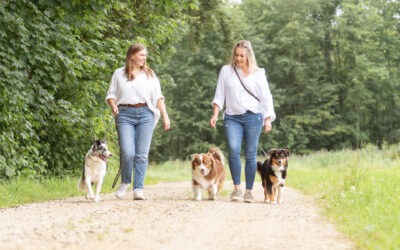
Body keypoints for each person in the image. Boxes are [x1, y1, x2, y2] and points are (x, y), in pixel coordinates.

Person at [209, 40, 275, 203]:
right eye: (236, 55)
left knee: (251, 154)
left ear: (248, 56)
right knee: (233, 148)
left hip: (254, 117)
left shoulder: (258, 73)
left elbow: (266, 97)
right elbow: (219, 95)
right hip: (232, 117)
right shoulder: (226, 71)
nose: (238, 58)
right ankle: (237, 188)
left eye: (241, 56)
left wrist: (268, 119)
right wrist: (215, 114)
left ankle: (248, 191)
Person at [105, 43, 170, 200]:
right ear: (132, 56)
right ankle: (125, 181)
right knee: (128, 152)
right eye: (141, 55)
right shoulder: (118, 74)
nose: (144, 58)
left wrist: (165, 116)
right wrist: (114, 106)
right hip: (124, 114)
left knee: (141, 154)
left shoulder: (150, 75)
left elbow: (158, 97)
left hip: (145, 114)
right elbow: (111, 95)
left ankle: (138, 188)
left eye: (145, 55)